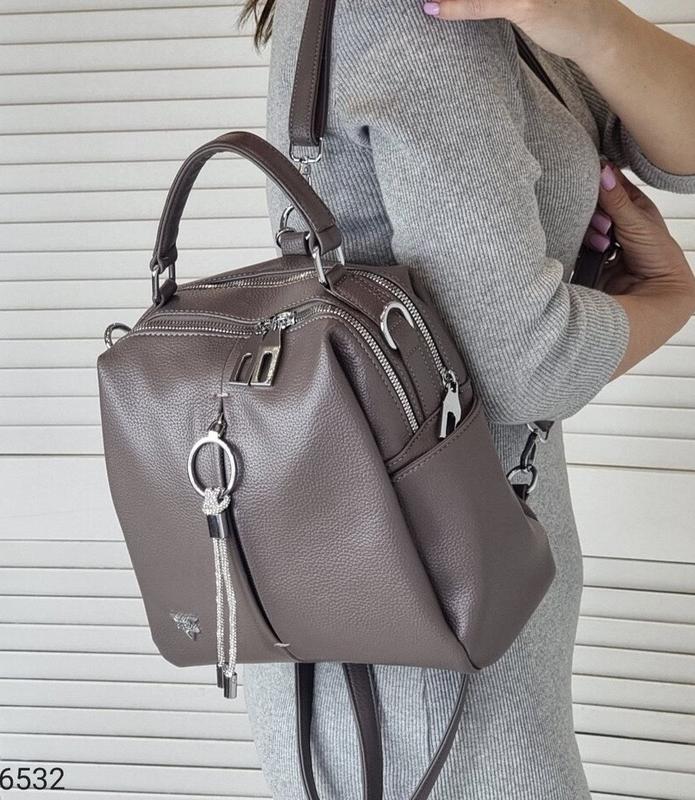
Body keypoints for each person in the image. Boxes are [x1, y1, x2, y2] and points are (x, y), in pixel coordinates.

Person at [239, 0, 695, 797]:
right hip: (423, 614)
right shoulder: (418, 16)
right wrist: (667, 299)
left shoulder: (508, 17)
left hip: (416, 573)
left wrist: (594, 26)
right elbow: (521, 365)